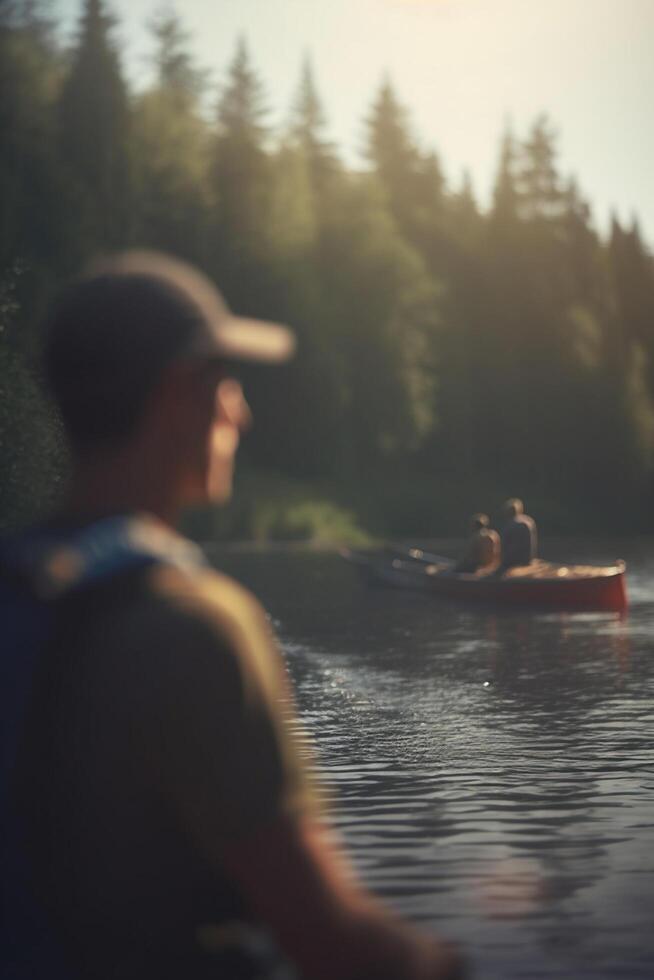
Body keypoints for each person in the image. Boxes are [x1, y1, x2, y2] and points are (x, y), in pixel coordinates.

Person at [1, 251, 464, 980]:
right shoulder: (191, 620)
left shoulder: (16, 585)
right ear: (178, 394)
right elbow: (327, 939)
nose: (241, 414)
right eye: (227, 384)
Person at [499, 497, 537, 569]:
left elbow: (504, 544)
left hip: (513, 561)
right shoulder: (529, 521)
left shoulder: (511, 524)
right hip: (528, 559)